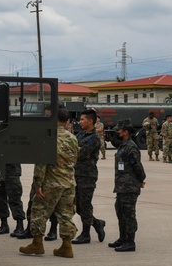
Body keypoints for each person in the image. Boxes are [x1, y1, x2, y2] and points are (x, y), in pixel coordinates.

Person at [20, 109, 78, 257]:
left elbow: (41, 163)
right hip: (69, 182)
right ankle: (67, 246)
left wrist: (38, 184)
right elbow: (74, 160)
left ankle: (37, 244)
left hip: (51, 183)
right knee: (66, 214)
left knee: (39, 211)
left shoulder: (48, 137)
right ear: (66, 122)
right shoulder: (72, 138)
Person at [109, 120, 146, 252]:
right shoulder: (123, 145)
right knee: (120, 212)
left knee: (129, 214)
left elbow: (137, 165)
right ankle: (122, 238)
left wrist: (141, 179)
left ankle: (130, 242)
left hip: (129, 187)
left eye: (119, 131)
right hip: (121, 186)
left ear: (126, 132)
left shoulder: (131, 147)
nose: (117, 133)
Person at [72, 110, 107, 244]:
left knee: (85, 205)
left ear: (90, 121)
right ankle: (97, 223)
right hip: (76, 174)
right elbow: (73, 150)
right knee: (78, 207)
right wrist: (78, 149)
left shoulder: (94, 138)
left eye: (82, 119)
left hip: (87, 175)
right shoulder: (80, 135)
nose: (80, 122)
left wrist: (79, 150)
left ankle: (86, 234)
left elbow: (80, 154)